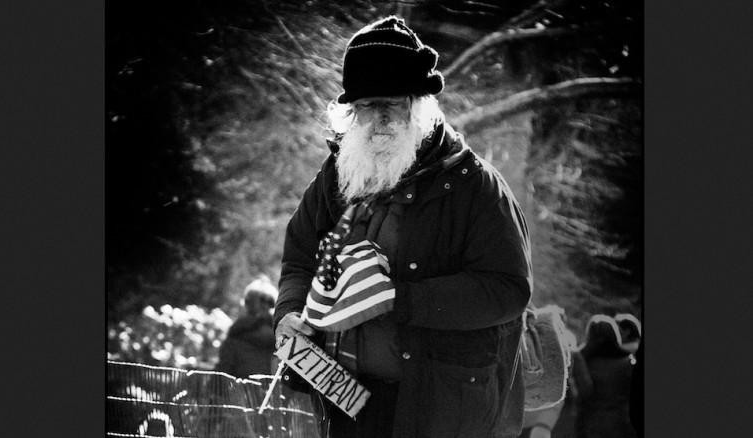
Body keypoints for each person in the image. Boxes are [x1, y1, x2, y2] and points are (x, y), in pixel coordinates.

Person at [272, 15, 533, 438]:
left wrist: (401, 299)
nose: (377, 119)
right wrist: (289, 312)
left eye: (389, 105)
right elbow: (300, 258)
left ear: (417, 105)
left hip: (439, 410)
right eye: (364, 107)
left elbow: (508, 290)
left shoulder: (476, 188)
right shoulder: (338, 176)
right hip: (345, 402)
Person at [575, 315, 637, 438]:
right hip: (622, 423)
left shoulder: (581, 362)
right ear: (614, 335)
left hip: (590, 424)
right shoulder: (628, 363)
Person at [215, 277, 278, 379]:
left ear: (247, 303)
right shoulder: (285, 340)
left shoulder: (235, 337)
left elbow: (222, 377)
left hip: (242, 392)